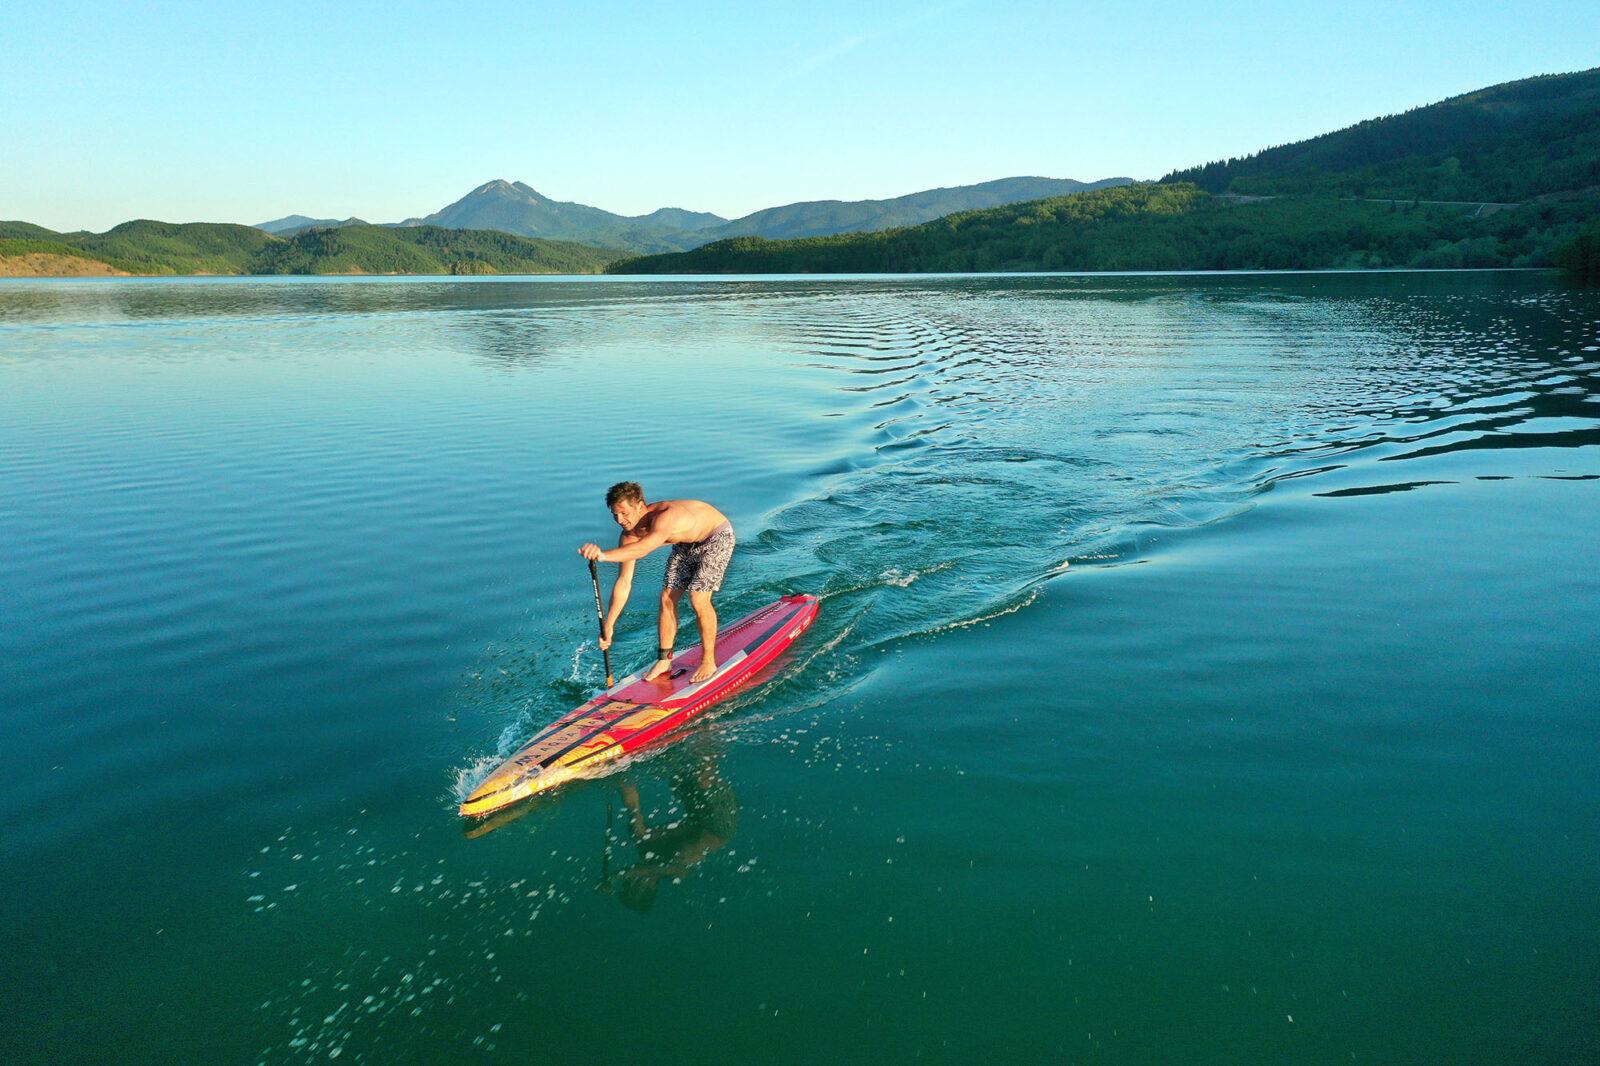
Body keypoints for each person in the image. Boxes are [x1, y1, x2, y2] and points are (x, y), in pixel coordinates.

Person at [578, 481, 735, 684]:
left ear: (640, 505)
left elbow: (643, 549)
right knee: (666, 598)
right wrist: (609, 624)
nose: (619, 520)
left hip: (716, 536)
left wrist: (602, 555)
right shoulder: (628, 537)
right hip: (686, 544)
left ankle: (708, 661)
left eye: (624, 513)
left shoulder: (665, 516)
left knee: (698, 598)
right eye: (615, 515)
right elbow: (624, 582)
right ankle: (664, 660)